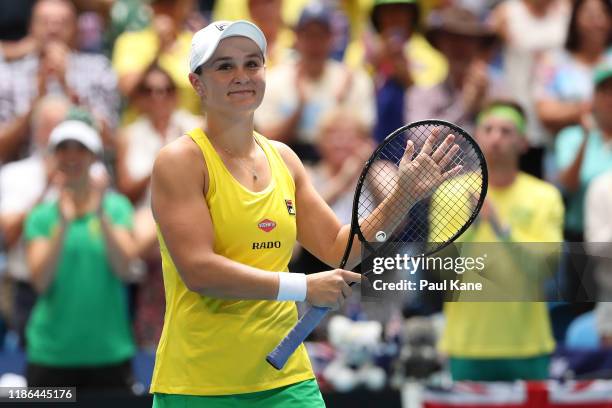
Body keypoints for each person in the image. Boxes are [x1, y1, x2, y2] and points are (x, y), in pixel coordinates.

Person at [150, 19, 458, 407]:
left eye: (252, 64)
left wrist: (403, 195)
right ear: (197, 83)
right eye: (224, 66)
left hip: (286, 381)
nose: (241, 76)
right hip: (198, 383)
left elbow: (340, 250)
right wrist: (303, 287)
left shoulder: (285, 160)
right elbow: (199, 272)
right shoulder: (180, 160)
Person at [430, 100, 564, 381]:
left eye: (506, 130)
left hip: (528, 346)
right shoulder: (449, 192)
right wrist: (472, 227)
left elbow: (546, 267)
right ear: (477, 136)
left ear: (524, 142)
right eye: (488, 129)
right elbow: (441, 269)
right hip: (466, 345)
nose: (496, 137)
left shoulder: (545, 196)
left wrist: (503, 231)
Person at [24, 120, 138, 389]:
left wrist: (100, 214)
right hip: (50, 356)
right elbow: (40, 281)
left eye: (80, 149)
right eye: (63, 149)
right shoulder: (42, 216)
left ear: (93, 157)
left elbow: (124, 267)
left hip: (109, 354)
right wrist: (62, 225)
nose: (71, 157)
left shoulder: (117, 208)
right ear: (54, 157)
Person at [0, 0, 119, 163]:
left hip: (85, 170)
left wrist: (68, 87)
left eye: (62, 23)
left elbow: (109, 141)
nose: (53, 29)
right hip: (24, 171)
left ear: (77, 29)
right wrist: (36, 101)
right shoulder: (8, 73)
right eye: (45, 22)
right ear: (30, 28)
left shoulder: (99, 68)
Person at [254, 3, 375, 162]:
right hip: (287, 164)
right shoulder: (274, 79)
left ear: (332, 38)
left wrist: (339, 104)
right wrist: (299, 109)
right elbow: (264, 138)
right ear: (297, 37)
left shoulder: (354, 80)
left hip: (340, 166)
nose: (315, 43)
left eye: (321, 35)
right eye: (309, 35)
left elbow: (363, 138)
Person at [535, 0, 612, 136]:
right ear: (575, 19)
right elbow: (544, 111)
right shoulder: (554, 61)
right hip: (565, 148)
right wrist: (588, 109)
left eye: (603, 14)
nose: (597, 22)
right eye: (590, 15)